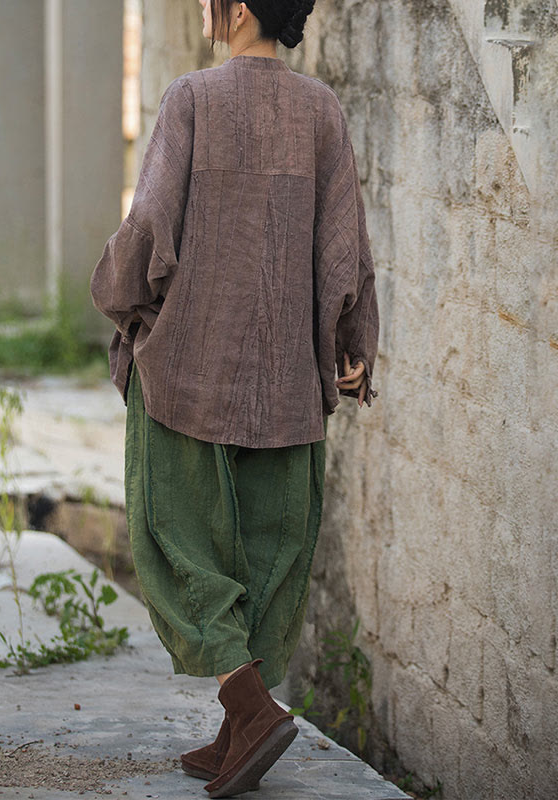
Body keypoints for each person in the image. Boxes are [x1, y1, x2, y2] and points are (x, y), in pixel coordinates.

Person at [90, 0, 379, 795]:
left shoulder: (192, 98)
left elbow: (149, 225)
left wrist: (121, 302)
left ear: (240, 8)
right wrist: (350, 348)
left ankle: (251, 711)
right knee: (265, 552)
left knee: (174, 538)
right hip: (287, 380)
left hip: (189, 369)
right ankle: (239, 731)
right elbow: (344, 244)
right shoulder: (323, 110)